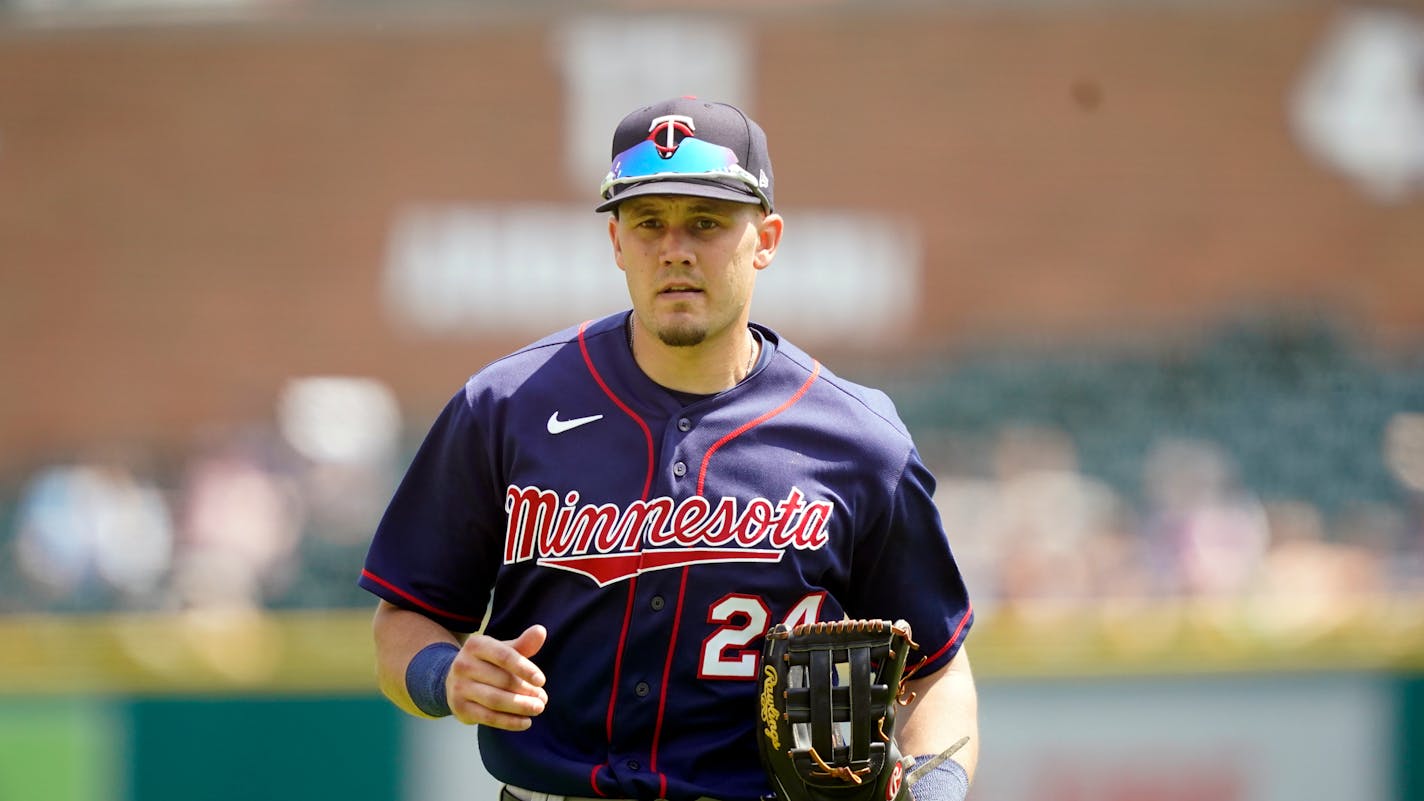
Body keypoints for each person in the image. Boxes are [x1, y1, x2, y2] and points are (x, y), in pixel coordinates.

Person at [359, 97, 979, 801]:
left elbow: (937, 667)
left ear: (767, 239)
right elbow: (403, 621)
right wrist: (444, 675)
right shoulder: (505, 406)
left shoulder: (860, 440)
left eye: (707, 223)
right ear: (617, 242)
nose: (675, 248)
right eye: (649, 222)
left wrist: (932, 792)